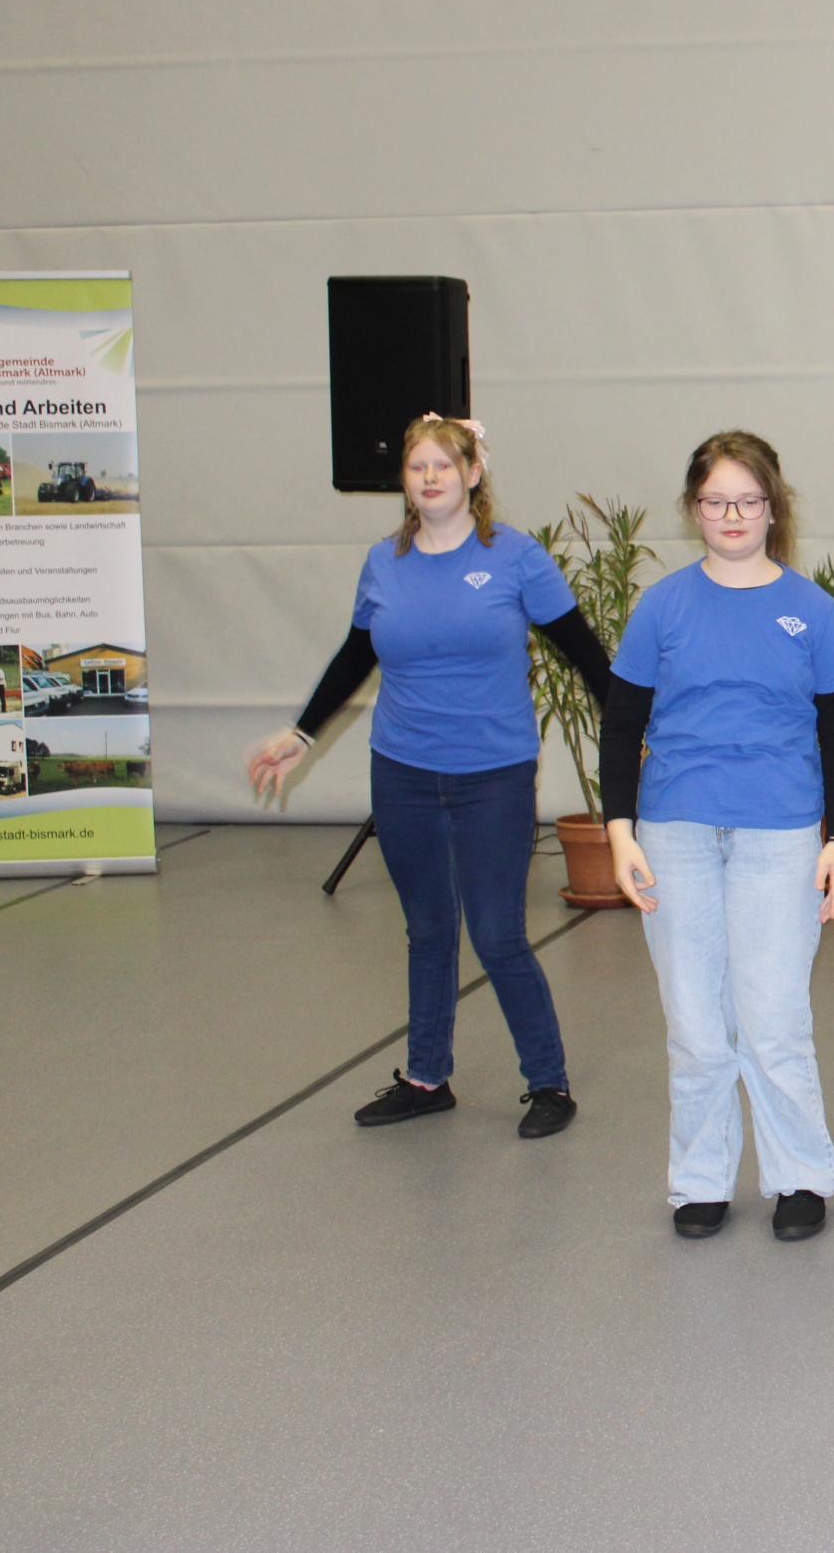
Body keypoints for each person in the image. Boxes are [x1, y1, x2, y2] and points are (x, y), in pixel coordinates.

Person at [245, 414, 609, 1138]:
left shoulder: (514, 557)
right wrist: (301, 733)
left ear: (473, 474)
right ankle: (425, 1077)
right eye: (418, 467)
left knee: (497, 934)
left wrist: (633, 735)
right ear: (405, 482)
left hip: (493, 776)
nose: (432, 477)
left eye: (445, 464)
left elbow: (585, 654)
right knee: (429, 930)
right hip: (404, 773)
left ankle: (549, 1082)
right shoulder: (384, 563)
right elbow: (356, 655)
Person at [600, 431, 834, 1243]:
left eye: (748, 500)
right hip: (674, 830)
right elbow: (622, 723)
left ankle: (799, 1176)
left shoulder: (811, 610)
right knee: (694, 1022)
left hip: (780, 833)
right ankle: (700, 1180)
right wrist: (619, 832)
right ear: (694, 509)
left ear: (773, 507)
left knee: (773, 1018)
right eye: (716, 502)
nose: (733, 515)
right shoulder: (663, 607)